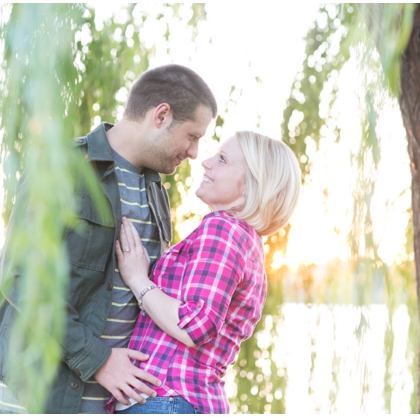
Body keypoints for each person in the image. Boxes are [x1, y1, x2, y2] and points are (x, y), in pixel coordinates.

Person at [0, 64, 218, 414]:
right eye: (193, 136)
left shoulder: (156, 192)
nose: (195, 152)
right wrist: (100, 361)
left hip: (103, 396)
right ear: (161, 116)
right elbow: (22, 278)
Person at [111, 131, 301, 414]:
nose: (206, 163)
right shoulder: (247, 243)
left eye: (222, 159)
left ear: (251, 186)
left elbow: (195, 325)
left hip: (165, 400)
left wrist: (138, 279)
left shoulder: (223, 230)